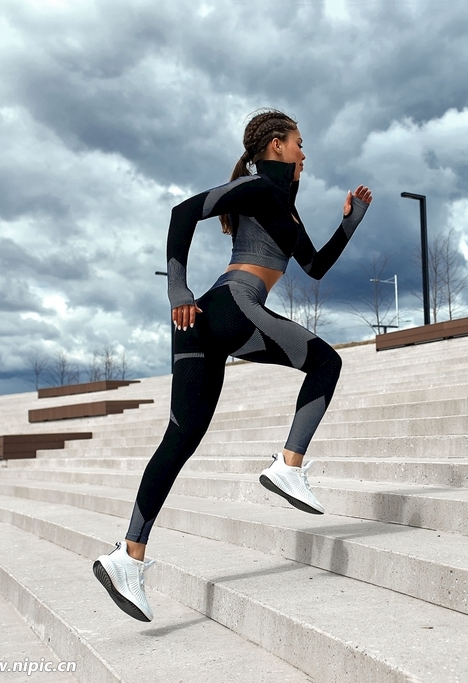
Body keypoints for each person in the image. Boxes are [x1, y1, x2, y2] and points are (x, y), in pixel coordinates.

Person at [93, 109, 372, 622]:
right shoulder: (259, 189)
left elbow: (314, 267)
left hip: (205, 322)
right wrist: (176, 286)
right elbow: (183, 212)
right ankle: (288, 466)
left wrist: (349, 225)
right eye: (299, 144)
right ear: (275, 146)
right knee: (327, 362)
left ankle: (127, 556)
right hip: (229, 306)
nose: (305, 154)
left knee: (181, 437)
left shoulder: (282, 209)